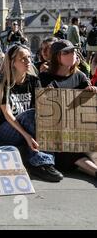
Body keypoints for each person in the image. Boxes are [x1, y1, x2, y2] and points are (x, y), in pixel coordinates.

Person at [0, 44, 64, 182]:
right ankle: (39, 164)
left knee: (42, 114)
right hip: (4, 130)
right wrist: (27, 136)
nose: (28, 61)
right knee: (30, 114)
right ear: (12, 62)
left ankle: (45, 163)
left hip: (27, 126)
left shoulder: (34, 81)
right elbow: (8, 115)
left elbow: (41, 111)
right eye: (23, 58)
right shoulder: (2, 82)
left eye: (29, 57)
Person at [39, 40, 97, 180]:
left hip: (81, 130)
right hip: (58, 136)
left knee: (88, 146)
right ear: (57, 56)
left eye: (73, 51)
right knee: (70, 152)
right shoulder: (45, 78)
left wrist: (92, 91)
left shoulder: (80, 76)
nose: (73, 54)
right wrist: (44, 95)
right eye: (67, 52)